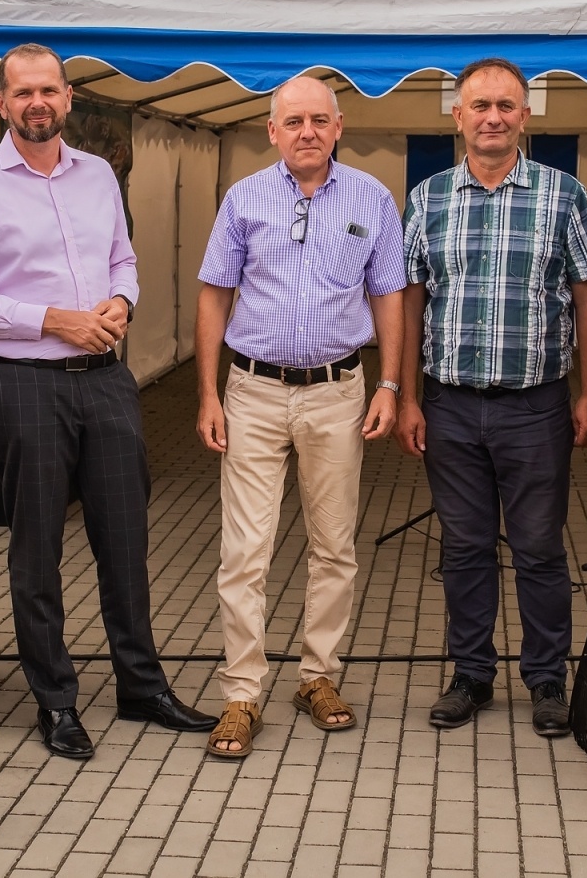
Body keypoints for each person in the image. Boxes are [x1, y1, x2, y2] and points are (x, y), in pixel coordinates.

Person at [0, 43, 214, 761]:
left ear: (68, 98)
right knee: (38, 548)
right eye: (22, 92)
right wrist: (52, 319)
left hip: (107, 380)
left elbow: (124, 256)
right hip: (23, 383)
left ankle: (140, 686)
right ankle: (55, 701)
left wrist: (121, 299)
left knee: (125, 540)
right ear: (2, 102)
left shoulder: (97, 176)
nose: (37, 104)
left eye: (49, 91)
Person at [194, 76, 406, 758]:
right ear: (273, 131)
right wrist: (205, 395)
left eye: (319, 120)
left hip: (339, 390)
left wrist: (392, 384)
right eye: (294, 121)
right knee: (245, 550)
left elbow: (390, 297)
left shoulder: (371, 199)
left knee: (334, 544)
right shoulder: (243, 198)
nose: (307, 131)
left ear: (339, 126)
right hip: (252, 390)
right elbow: (212, 296)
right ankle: (241, 693)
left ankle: (318, 677)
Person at [394, 58, 587, 737]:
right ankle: (471, 675)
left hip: (535, 404)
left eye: (506, 106)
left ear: (526, 116)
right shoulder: (427, 199)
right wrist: (405, 397)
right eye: (480, 105)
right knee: (463, 548)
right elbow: (410, 300)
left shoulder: (563, 194)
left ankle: (546, 680)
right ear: (457, 116)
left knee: (541, 548)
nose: (493, 117)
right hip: (449, 403)